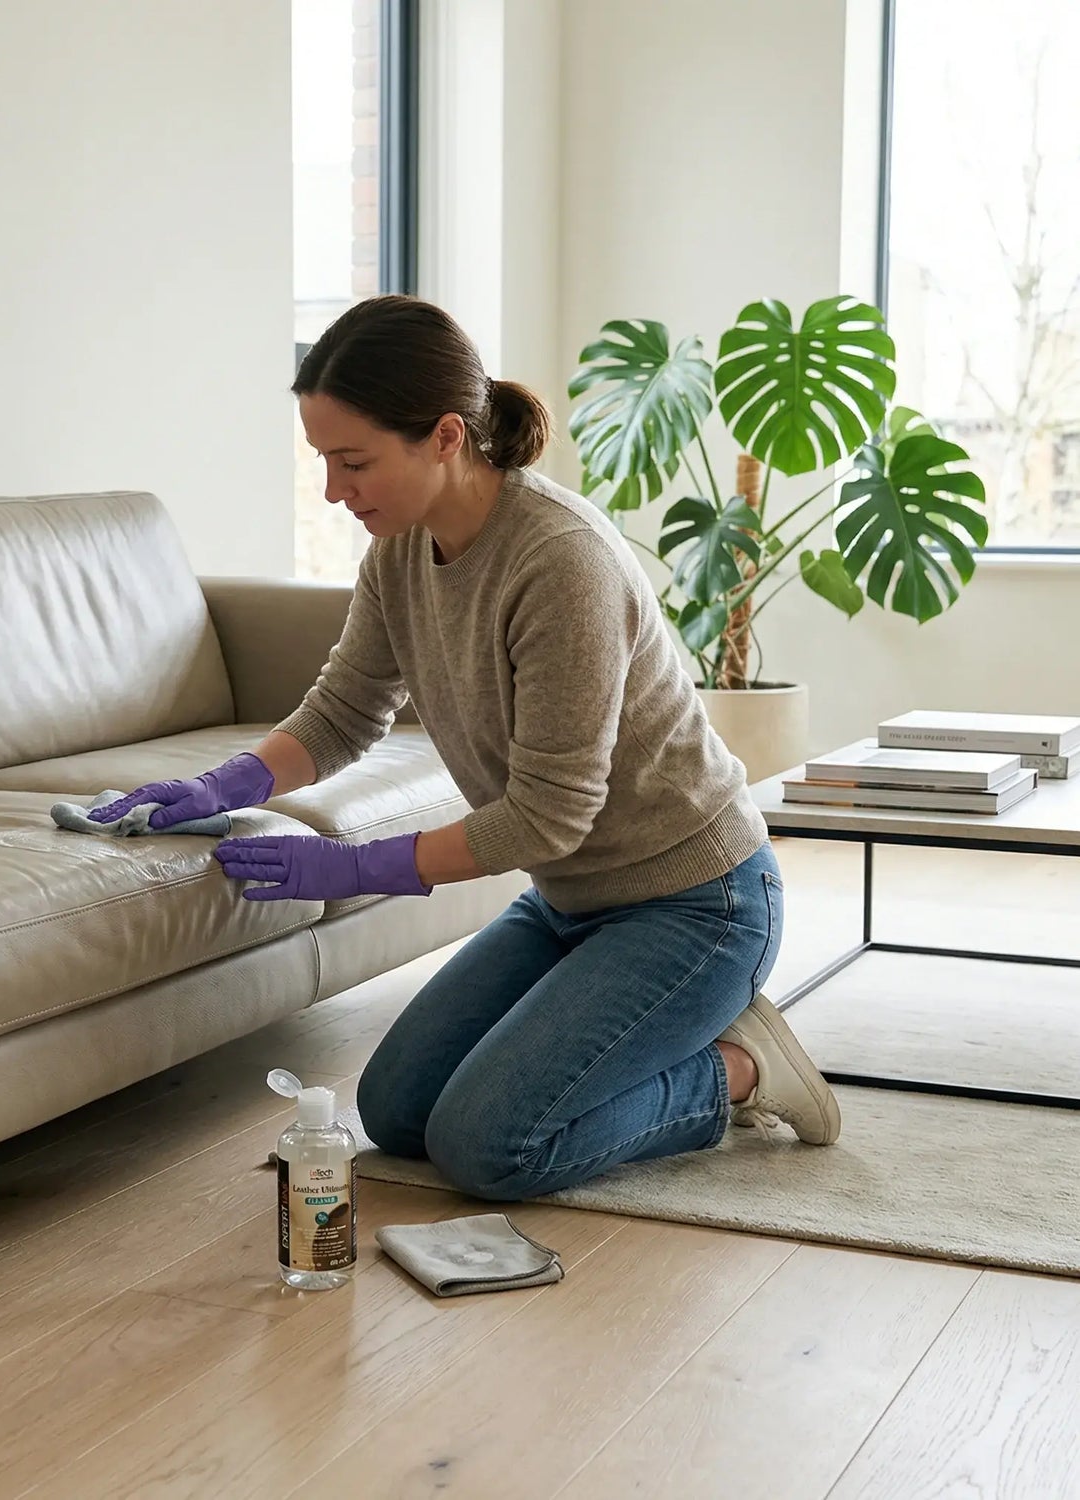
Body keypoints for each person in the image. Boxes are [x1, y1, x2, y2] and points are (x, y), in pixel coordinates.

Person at [92, 294, 841, 1201]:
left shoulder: (560, 562)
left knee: (493, 1147)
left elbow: (551, 814)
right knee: (399, 1112)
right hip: (571, 906)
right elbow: (343, 713)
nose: (335, 490)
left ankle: (740, 1070)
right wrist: (225, 784)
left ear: (446, 437)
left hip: (695, 903)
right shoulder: (398, 555)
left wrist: (351, 867)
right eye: (324, 460)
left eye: (354, 461)